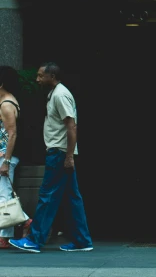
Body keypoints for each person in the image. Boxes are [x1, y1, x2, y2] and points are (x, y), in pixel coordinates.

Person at [9, 62, 93, 253]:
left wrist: (69, 156)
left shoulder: (60, 95)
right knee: (72, 198)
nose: (37, 79)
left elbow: (71, 126)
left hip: (59, 152)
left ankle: (35, 240)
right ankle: (82, 240)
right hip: (61, 152)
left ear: (52, 77)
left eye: (40, 76)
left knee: (47, 196)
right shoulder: (55, 93)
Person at [0, 66, 32, 248]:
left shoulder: (6, 105)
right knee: (3, 194)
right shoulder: (5, 101)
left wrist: (6, 162)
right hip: (4, 155)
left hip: (5, 156)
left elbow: (12, 134)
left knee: (4, 196)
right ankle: (22, 223)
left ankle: (6, 235)